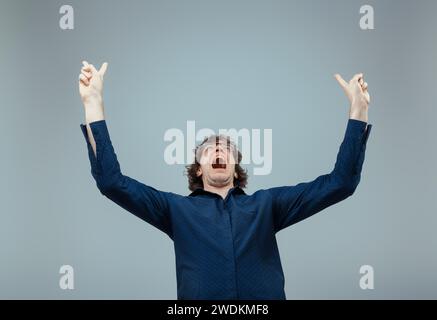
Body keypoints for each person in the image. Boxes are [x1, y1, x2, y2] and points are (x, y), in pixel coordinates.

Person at [78, 61, 372, 299]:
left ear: (235, 167)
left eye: (226, 148)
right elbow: (111, 182)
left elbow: (341, 183)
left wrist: (358, 112)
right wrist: (94, 105)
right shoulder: (175, 210)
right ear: (197, 169)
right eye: (209, 149)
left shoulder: (267, 205)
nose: (219, 150)